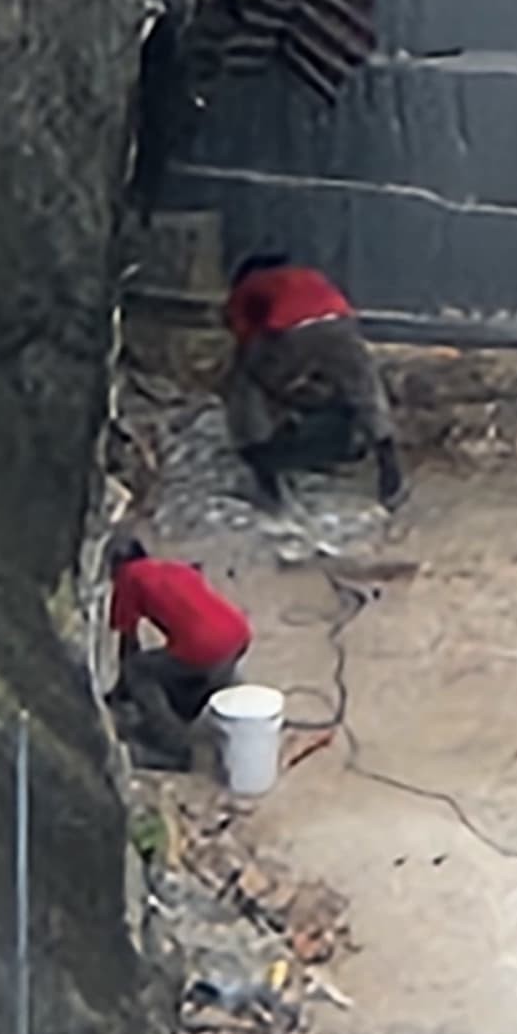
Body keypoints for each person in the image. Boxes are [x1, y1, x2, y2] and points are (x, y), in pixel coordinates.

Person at [222, 250, 402, 510]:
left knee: (246, 385)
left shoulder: (248, 286)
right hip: (340, 323)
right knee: (363, 388)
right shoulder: (310, 276)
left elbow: (243, 336)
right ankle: (389, 470)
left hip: (290, 331)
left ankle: (265, 476)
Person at [109, 540, 252, 771]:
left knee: (138, 669)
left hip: (205, 645)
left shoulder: (128, 577)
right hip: (238, 632)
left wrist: (121, 694)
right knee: (188, 669)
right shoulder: (175, 569)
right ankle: (187, 716)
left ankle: (173, 749)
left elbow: (128, 643)